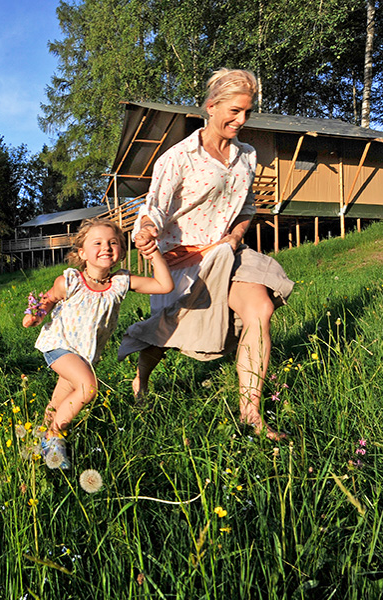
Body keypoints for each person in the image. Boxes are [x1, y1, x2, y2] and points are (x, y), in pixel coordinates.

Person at [118, 68, 295, 441]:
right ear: (211, 107)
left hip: (228, 252)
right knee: (166, 335)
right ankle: (141, 381)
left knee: (259, 309)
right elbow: (155, 207)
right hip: (183, 259)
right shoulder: (179, 157)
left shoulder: (246, 156)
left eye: (247, 112)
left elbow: (247, 208)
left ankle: (251, 415)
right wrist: (146, 230)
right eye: (234, 111)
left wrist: (236, 235)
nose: (241, 120)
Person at [23, 218, 173, 469]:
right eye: (98, 243)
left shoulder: (120, 283)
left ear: (121, 252)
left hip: (84, 355)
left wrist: (152, 252)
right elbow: (47, 299)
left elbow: (164, 285)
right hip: (59, 345)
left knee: (59, 401)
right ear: (82, 253)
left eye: (113, 242)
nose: (106, 247)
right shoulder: (70, 281)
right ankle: (53, 437)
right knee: (88, 388)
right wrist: (35, 315)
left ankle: (39, 438)